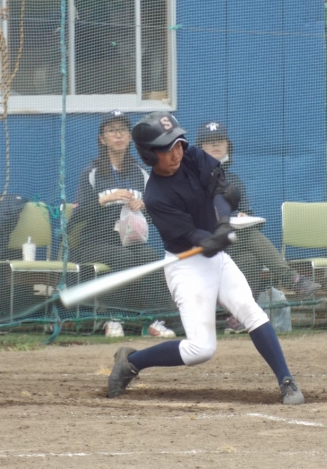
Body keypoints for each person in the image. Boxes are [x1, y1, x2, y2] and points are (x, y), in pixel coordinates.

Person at [106, 112, 305, 404]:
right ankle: (132, 361)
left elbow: (220, 190)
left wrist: (223, 223)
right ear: (150, 155)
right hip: (186, 267)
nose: (176, 152)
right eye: (167, 149)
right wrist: (209, 239)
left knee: (250, 311)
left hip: (217, 259)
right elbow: (192, 235)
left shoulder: (191, 155)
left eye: (178, 143)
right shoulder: (156, 196)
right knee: (201, 350)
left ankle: (286, 381)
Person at [68, 110, 175, 336]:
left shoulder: (141, 174)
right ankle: (113, 318)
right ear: (102, 139)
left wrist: (144, 206)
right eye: (111, 130)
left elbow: (157, 216)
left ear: (130, 137)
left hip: (131, 242)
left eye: (123, 130)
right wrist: (103, 199)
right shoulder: (92, 173)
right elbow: (76, 217)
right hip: (93, 243)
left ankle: (154, 321)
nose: (118, 135)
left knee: (151, 258)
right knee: (124, 259)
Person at [196, 121, 321, 298]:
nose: (216, 144)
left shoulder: (233, 180)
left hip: (230, 245)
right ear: (200, 148)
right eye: (209, 141)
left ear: (227, 146)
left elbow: (248, 214)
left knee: (250, 259)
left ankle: (240, 310)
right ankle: (292, 280)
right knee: (247, 234)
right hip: (200, 248)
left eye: (220, 140)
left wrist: (244, 216)